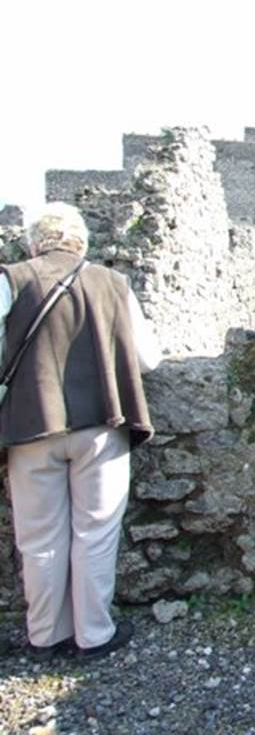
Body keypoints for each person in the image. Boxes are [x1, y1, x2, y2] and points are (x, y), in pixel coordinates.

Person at [0, 202, 161, 661]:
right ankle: (94, 634)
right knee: (96, 532)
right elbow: (149, 359)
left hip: (31, 427)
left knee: (38, 538)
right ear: (82, 243)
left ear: (33, 243)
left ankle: (45, 635)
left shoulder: (12, 279)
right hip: (101, 426)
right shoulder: (112, 283)